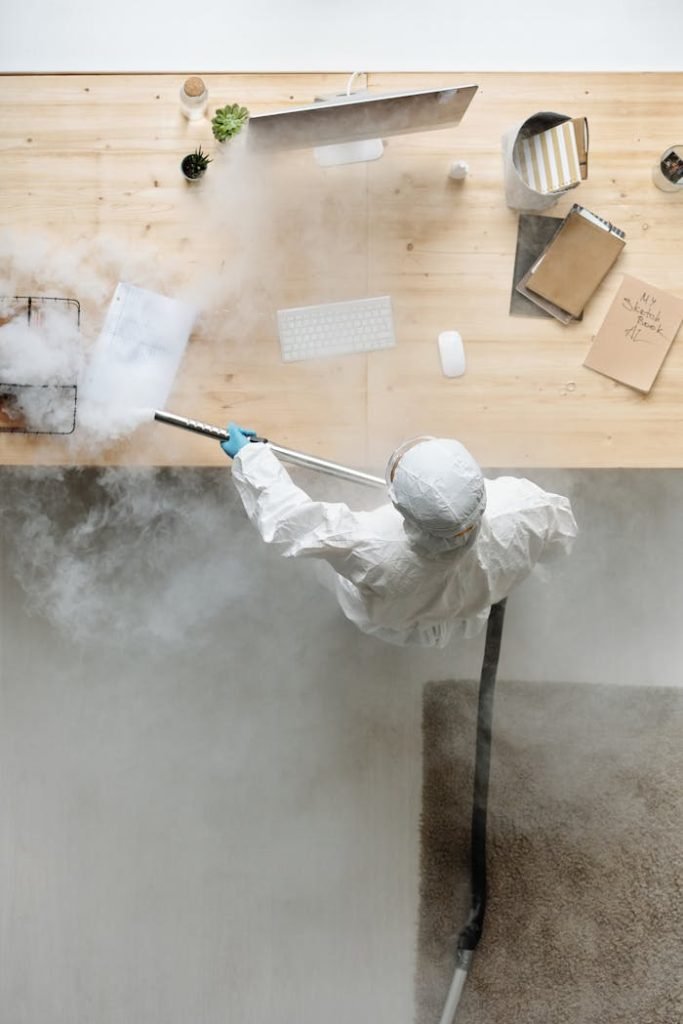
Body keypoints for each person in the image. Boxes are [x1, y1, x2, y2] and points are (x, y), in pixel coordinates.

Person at [222, 424, 577, 648]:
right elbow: (560, 539)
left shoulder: (369, 544)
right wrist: (522, 560)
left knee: (327, 568)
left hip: (392, 616)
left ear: (401, 510)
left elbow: (289, 522)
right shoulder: (525, 507)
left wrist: (251, 458)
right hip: (473, 606)